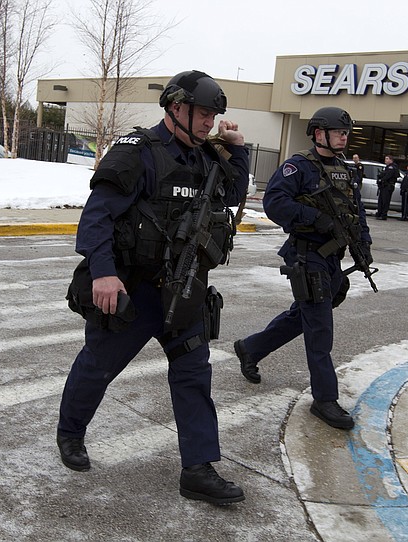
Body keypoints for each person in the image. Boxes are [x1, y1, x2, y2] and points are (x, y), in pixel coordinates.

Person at [56, 70, 249, 505]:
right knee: (98, 366)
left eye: (214, 115)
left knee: (194, 374)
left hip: (185, 289)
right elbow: (97, 217)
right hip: (134, 289)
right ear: (176, 107)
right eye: (203, 114)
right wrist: (104, 273)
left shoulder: (207, 156)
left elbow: (236, 190)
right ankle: (70, 433)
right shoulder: (137, 152)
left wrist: (237, 151)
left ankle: (198, 468)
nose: (208, 122)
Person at [233, 106, 372, 430]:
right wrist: (315, 219)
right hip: (306, 255)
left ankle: (250, 348)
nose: (344, 136)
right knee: (320, 327)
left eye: (346, 132)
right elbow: (275, 202)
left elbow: (356, 210)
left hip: (331, 257)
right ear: (319, 133)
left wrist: (362, 244)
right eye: (339, 131)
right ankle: (324, 399)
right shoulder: (299, 167)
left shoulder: (343, 169)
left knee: (307, 314)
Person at [375, 154, 399, 220]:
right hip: (384, 186)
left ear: (391, 160)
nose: (385, 160)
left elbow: (388, 176)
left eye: (387, 159)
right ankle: (379, 213)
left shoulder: (392, 167)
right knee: (381, 201)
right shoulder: (387, 167)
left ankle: (383, 215)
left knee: (385, 202)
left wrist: (381, 179)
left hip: (387, 186)